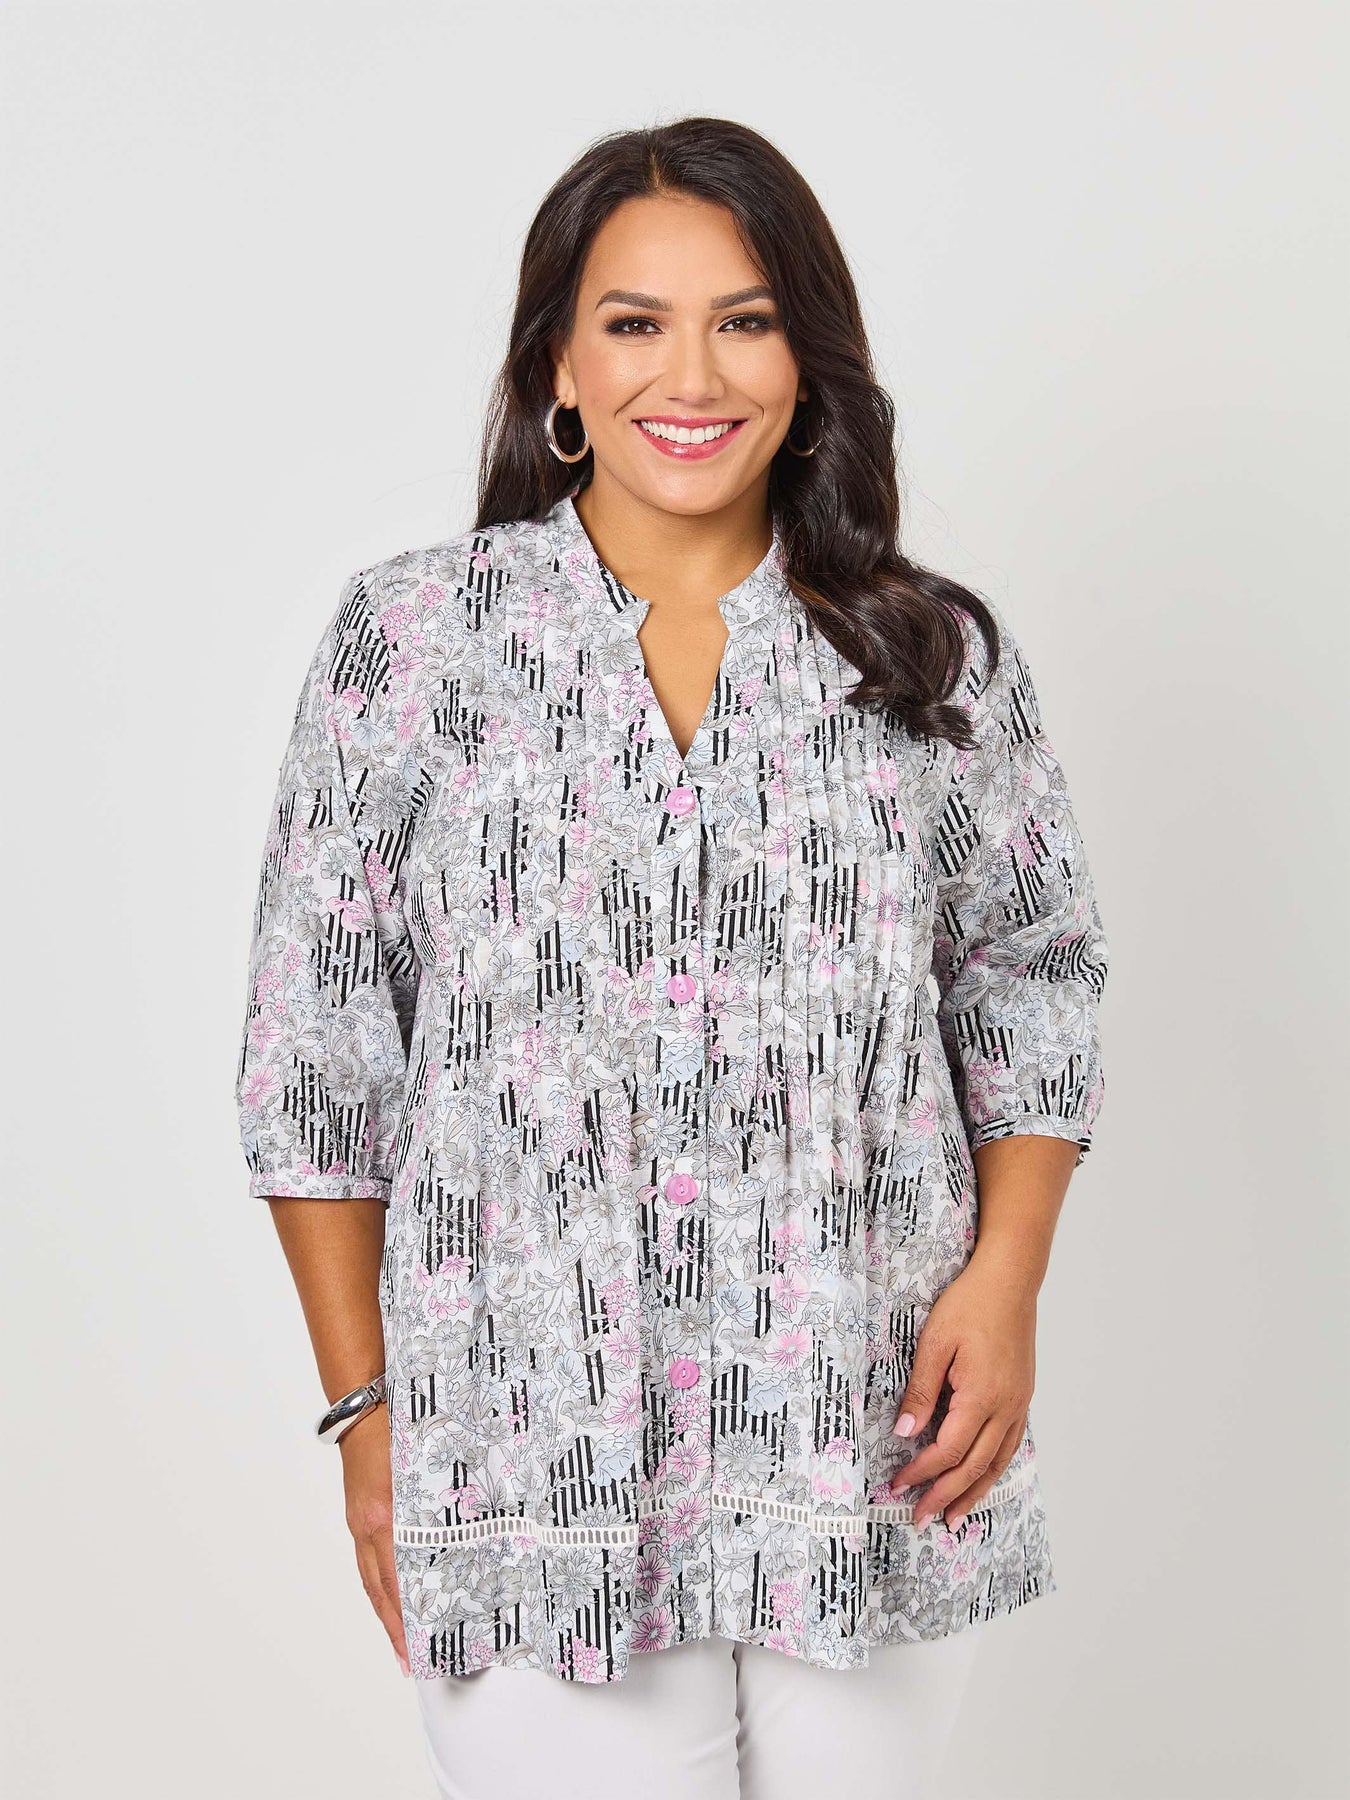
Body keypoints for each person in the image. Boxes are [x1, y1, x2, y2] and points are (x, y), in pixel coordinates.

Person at [234, 116, 1110, 1800]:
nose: (689, 374)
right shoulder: (413, 645)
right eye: (633, 322)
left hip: (871, 1440)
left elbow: (1033, 977)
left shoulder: (926, 654)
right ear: (558, 365)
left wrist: (1004, 1285)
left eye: (745, 320)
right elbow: (313, 1055)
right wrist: (367, 1418)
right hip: (524, 1458)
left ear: (807, 362)